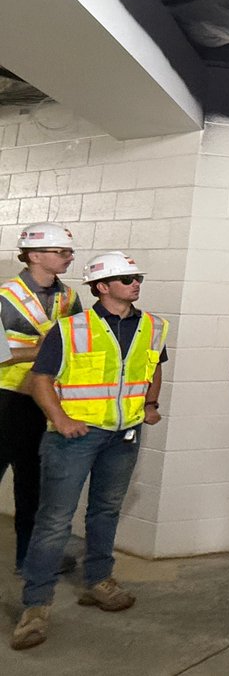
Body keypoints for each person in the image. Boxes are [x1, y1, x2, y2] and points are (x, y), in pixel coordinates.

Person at [10, 252, 169, 651]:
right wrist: (60, 420)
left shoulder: (153, 327)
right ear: (102, 287)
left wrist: (149, 405)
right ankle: (36, 605)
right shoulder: (70, 329)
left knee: (105, 511)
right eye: (126, 278)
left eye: (137, 277)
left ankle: (98, 580)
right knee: (54, 521)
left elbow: (154, 367)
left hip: (123, 436)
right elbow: (41, 378)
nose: (135, 283)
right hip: (73, 439)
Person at [0, 223, 82, 577]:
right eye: (61, 252)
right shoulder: (5, 296)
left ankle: (28, 560)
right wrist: (42, 350)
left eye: (68, 252)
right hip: (5, 400)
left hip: (42, 401)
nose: (68, 257)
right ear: (35, 256)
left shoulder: (70, 298)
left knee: (32, 485)